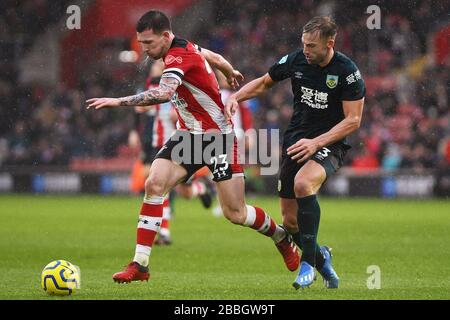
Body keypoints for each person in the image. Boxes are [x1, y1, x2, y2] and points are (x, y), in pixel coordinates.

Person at [86, 10, 299, 283]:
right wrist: (227, 69)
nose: (145, 49)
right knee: (154, 184)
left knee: (236, 212)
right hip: (188, 137)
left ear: (165, 36)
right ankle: (140, 264)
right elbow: (214, 57)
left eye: (149, 43)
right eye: (141, 43)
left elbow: (163, 93)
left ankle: (281, 237)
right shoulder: (185, 45)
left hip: (218, 139)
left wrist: (118, 101)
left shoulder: (178, 56)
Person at [225, 16, 365, 289]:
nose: (306, 50)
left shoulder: (348, 72)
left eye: (312, 46)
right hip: (296, 142)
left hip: (329, 144)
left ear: (329, 44)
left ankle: (307, 264)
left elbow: (353, 121)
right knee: (290, 221)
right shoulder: (297, 60)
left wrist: (317, 143)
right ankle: (321, 256)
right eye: (303, 44)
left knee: (303, 184)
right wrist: (235, 97)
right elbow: (266, 82)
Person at [129, 58, 213, 245]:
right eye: (154, 64)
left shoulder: (178, 83)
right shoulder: (153, 84)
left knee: (184, 191)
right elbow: (141, 108)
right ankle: (164, 232)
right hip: (158, 141)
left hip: (178, 140)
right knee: (157, 183)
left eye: (158, 64)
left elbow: (180, 110)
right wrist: (136, 127)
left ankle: (200, 189)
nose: (155, 66)